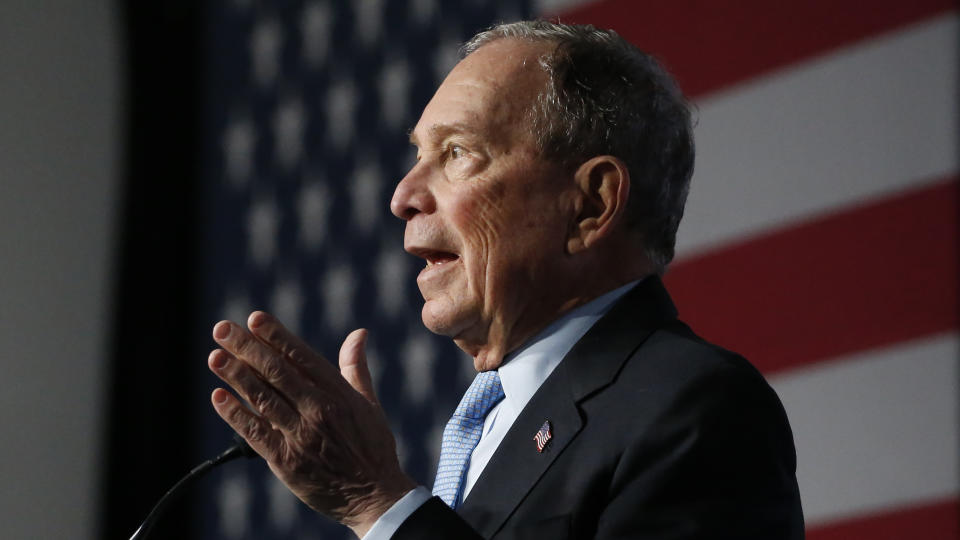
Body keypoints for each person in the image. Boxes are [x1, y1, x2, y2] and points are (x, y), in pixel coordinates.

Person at [207, 20, 804, 539]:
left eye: (458, 153)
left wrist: (378, 504)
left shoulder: (694, 409)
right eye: (417, 156)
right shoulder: (490, 419)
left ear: (592, 205)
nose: (402, 197)